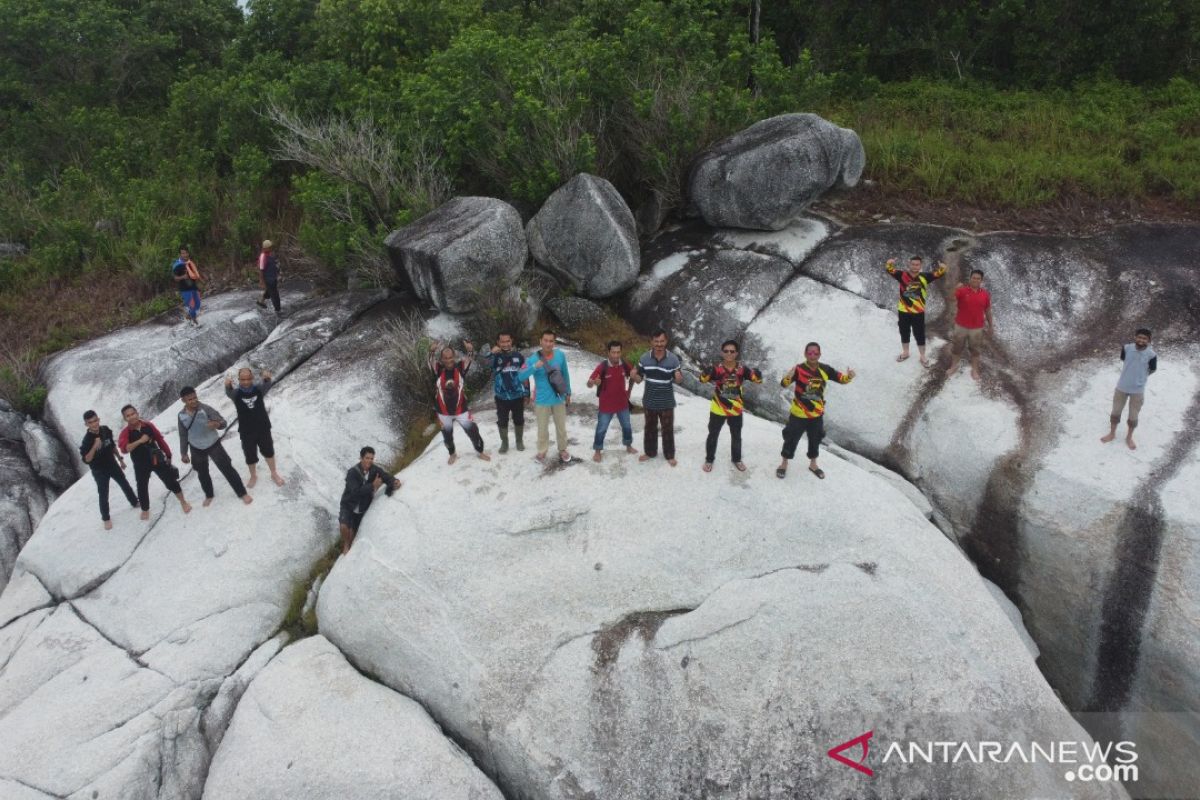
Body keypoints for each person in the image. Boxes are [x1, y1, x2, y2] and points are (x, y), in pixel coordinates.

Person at [776, 342, 855, 480]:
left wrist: (849, 376)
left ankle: (813, 464)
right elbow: (784, 384)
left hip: (816, 415)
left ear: (820, 354)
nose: (812, 355)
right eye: (810, 353)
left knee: (815, 439)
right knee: (791, 438)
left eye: (815, 353)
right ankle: (784, 463)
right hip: (798, 413)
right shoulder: (799, 369)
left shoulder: (825, 369)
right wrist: (789, 375)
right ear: (805, 354)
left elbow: (841, 379)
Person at [177, 386, 252, 507]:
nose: (194, 401)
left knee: (227, 468)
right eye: (190, 399)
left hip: (213, 443)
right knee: (202, 472)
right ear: (183, 401)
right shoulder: (181, 416)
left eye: (195, 397)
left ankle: (242, 493)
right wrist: (184, 453)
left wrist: (217, 424)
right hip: (196, 447)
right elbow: (183, 434)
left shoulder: (205, 409)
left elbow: (223, 422)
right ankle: (209, 494)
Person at [118, 404, 192, 519]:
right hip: (140, 464)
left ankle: (183, 501)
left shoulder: (148, 425)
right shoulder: (126, 433)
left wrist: (168, 455)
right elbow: (124, 449)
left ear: (137, 413)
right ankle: (145, 509)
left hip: (156, 459)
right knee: (142, 486)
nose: (131, 417)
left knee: (170, 481)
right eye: (128, 416)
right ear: (125, 419)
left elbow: (160, 440)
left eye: (132, 414)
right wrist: (140, 441)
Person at [699, 340, 762, 472]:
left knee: (736, 436)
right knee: (713, 435)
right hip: (718, 408)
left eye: (732, 351)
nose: (729, 353)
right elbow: (702, 380)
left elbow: (757, 380)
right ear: (722, 352)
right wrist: (705, 373)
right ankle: (709, 459)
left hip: (736, 409)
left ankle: (737, 459)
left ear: (736, 353)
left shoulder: (742, 369)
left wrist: (758, 375)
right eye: (726, 351)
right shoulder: (716, 368)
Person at [429, 339, 490, 465]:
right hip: (443, 412)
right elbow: (430, 361)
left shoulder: (461, 368)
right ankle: (452, 453)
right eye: (445, 358)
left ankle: (480, 451)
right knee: (447, 436)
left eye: (450, 357)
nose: (448, 360)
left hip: (461, 410)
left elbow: (470, 358)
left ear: (454, 357)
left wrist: (470, 349)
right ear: (441, 359)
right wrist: (432, 350)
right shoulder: (438, 370)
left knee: (473, 431)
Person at [224, 367, 286, 487]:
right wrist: (227, 385)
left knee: (268, 451)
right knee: (250, 455)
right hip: (246, 431)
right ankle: (253, 476)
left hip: (263, 427)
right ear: (239, 379)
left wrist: (266, 376)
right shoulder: (235, 394)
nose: (246, 382)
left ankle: (274, 473)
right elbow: (228, 391)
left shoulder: (258, 389)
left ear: (252, 378)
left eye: (248, 379)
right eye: (243, 379)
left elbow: (268, 383)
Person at [518, 330, 573, 463]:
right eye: (546, 340)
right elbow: (520, 376)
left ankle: (563, 449)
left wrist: (568, 392)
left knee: (561, 427)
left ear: (554, 342)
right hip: (541, 400)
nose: (548, 344)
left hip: (558, 397)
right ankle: (542, 450)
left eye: (551, 341)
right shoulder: (533, 359)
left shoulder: (560, 355)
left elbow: (565, 374)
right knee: (542, 428)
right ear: (540, 341)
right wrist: (534, 367)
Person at [80, 410, 138, 530]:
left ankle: (134, 501)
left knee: (124, 483)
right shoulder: (87, 440)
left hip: (112, 464)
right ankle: (106, 518)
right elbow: (86, 459)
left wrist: (120, 459)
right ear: (86, 424)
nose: (94, 424)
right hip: (99, 470)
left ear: (99, 419)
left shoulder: (105, 430)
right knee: (103, 493)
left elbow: (112, 446)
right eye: (90, 422)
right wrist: (94, 446)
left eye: (95, 421)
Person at [632, 329, 683, 466]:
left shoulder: (673, 359)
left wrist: (678, 378)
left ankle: (669, 455)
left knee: (667, 429)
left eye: (662, 341)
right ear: (652, 342)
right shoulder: (644, 358)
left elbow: (678, 380)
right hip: (649, 400)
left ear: (666, 341)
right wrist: (634, 375)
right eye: (656, 341)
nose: (659, 344)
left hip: (666, 401)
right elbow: (638, 379)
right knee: (650, 428)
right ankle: (650, 452)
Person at [1101, 328, 1158, 451]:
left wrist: (1141, 377)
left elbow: (1152, 369)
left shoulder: (1152, 355)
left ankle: (1129, 437)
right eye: (1139, 337)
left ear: (1149, 340)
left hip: (1137, 390)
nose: (1141, 340)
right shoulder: (1126, 348)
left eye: (1144, 338)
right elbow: (1124, 359)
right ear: (1135, 337)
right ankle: (1112, 433)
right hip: (1122, 386)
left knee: (1133, 416)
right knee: (1115, 412)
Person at [886, 255, 947, 366]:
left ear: (920, 265)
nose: (915, 266)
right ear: (909, 264)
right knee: (904, 331)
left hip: (918, 312)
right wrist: (889, 263)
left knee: (919, 334)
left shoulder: (925, 276)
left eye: (917, 264)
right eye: (913, 264)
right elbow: (890, 270)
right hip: (903, 310)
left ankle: (922, 356)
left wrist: (943, 267)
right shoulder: (902, 275)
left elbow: (938, 273)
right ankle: (905, 353)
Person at [338, 446, 400, 554]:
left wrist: (394, 481)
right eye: (367, 458)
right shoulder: (352, 473)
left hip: (361, 507)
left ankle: (350, 543)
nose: (370, 461)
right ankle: (346, 544)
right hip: (348, 505)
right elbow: (354, 492)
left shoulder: (374, 470)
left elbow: (385, 476)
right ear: (361, 458)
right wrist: (372, 486)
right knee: (343, 526)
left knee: (352, 533)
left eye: (372, 458)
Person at [586, 340, 637, 462]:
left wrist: (630, 387)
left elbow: (633, 376)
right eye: (613, 352)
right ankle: (598, 450)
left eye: (618, 352)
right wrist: (593, 382)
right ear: (608, 352)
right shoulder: (602, 366)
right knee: (601, 428)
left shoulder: (624, 364)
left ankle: (628, 445)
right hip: (606, 406)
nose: (616, 355)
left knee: (627, 426)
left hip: (622, 403)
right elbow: (589, 383)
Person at [946, 269, 994, 380]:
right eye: (974, 277)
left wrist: (991, 325)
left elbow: (987, 310)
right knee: (957, 348)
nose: (975, 280)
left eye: (978, 278)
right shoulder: (962, 290)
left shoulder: (985, 294)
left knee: (975, 350)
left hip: (977, 328)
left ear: (981, 280)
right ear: (970, 278)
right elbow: (950, 298)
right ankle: (954, 366)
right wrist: (956, 289)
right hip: (960, 326)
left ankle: (975, 369)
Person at [487, 332, 530, 453]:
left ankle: (519, 441)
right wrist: (491, 353)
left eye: (508, 341)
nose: (505, 344)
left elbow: (525, 375)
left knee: (519, 419)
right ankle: (504, 443)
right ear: (498, 343)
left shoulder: (519, 356)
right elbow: (487, 364)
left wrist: (527, 393)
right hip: (501, 397)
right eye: (502, 342)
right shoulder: (495, 357)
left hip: (517, 396)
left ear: (512, 341)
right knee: (502, 420)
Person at [173, 246, 203, 326]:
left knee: (198, 305)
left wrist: (200, 283)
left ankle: (189, 316)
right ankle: (195, 323)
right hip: (185, 289)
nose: (185, 255)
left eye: (186, 253)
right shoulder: (177, 265)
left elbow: (195, 274)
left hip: (193, 287)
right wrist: (182, 277)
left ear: (188, 253)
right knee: (192, 306)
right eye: (183, 253)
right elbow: (175, 278)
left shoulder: (190, 263)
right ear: (180, 254)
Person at [256, 239, 282, 315]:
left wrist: (278, 275)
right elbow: (261, 270)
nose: (271, 247)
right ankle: (278, 311)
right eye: (270, 246)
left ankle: (261, 301)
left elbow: (274, 265)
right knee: (275, 295)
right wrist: (262, 281)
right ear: (266, 248)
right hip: (268, 279)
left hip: (273, 277)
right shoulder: (263, 256)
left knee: (270, 291)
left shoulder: (270, 254)